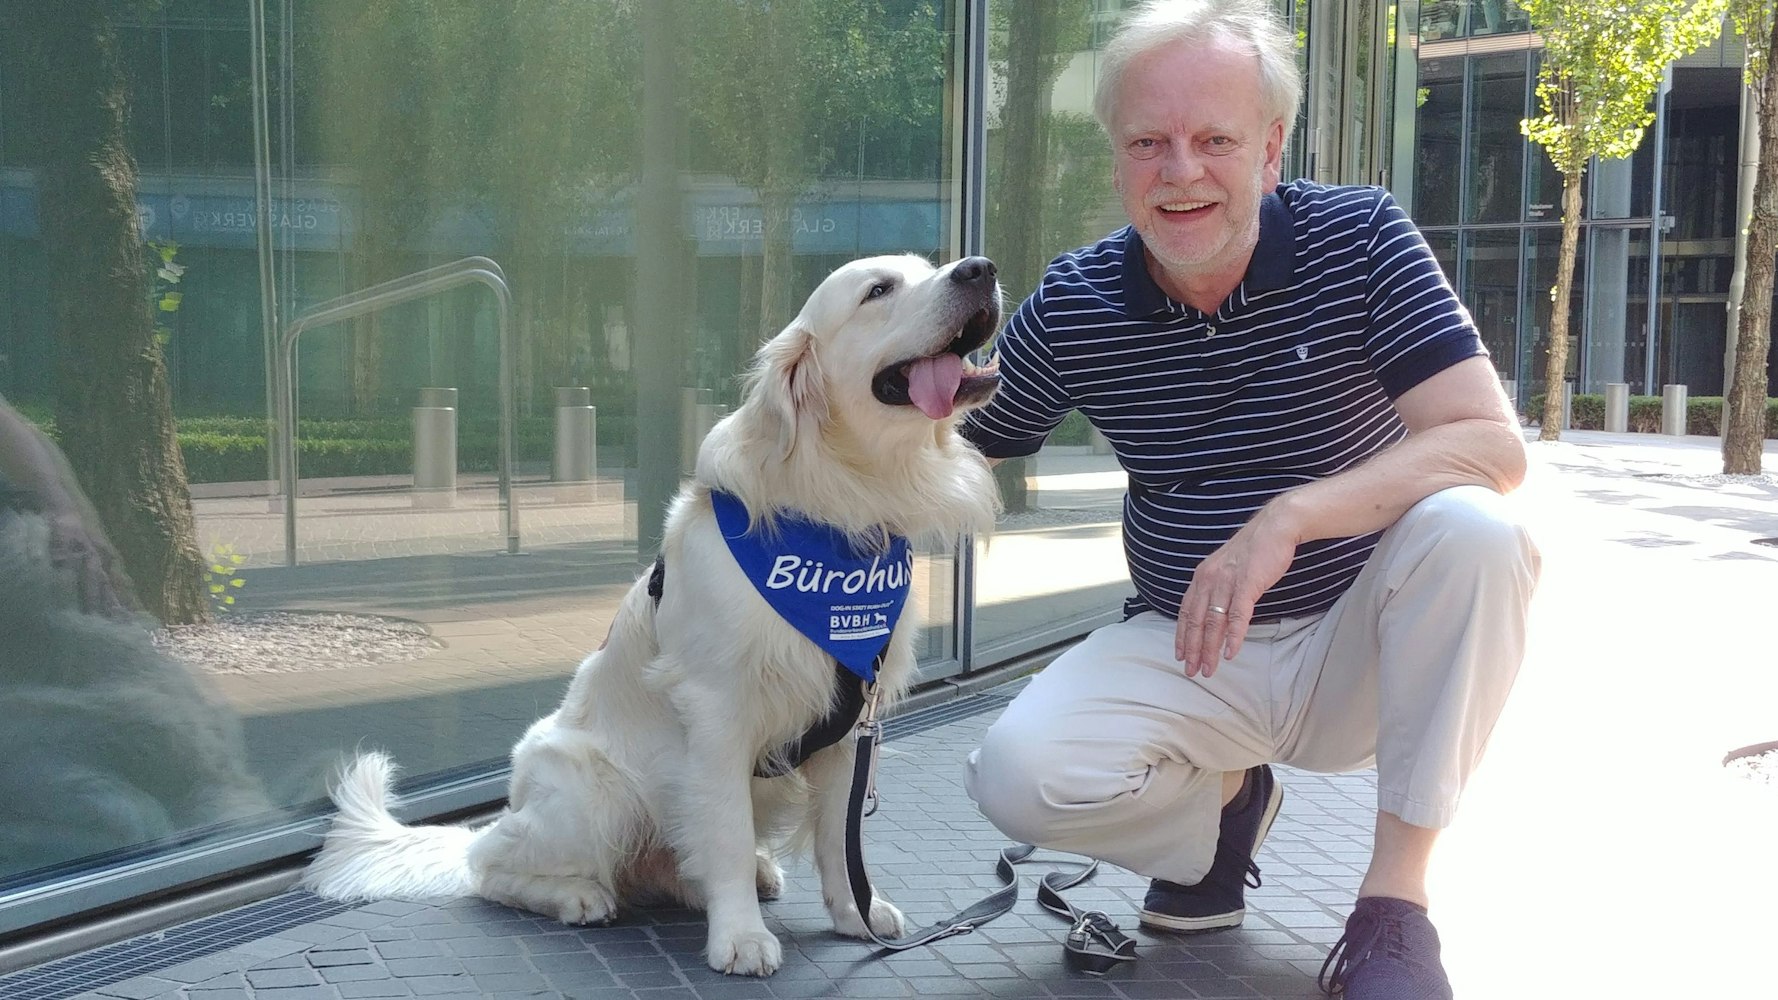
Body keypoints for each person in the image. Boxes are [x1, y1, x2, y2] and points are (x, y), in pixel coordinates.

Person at [957, 2, 1540, 998]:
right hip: (1191, 644)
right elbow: (956, 445)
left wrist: (1291, 515)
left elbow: (1488, 443)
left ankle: (1393, 912)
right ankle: (1220, 814)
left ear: (1269, 150)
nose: (1179, 170)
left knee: (1477, 530)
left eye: (1213, 139)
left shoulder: (1356, 237)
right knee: (1013, 773)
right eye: (1148, 141)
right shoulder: (1078, 302)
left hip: (1360, 644)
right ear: (1115, 158)